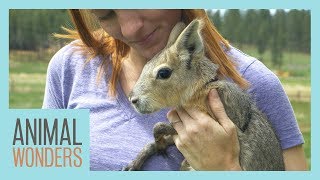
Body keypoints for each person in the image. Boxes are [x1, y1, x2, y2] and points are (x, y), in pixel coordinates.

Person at [43, 9, 308, 170]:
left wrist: (226, 169)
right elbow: (36, 166)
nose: (130, 28)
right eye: (105, 15)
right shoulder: (68, 64)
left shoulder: (256, 82)